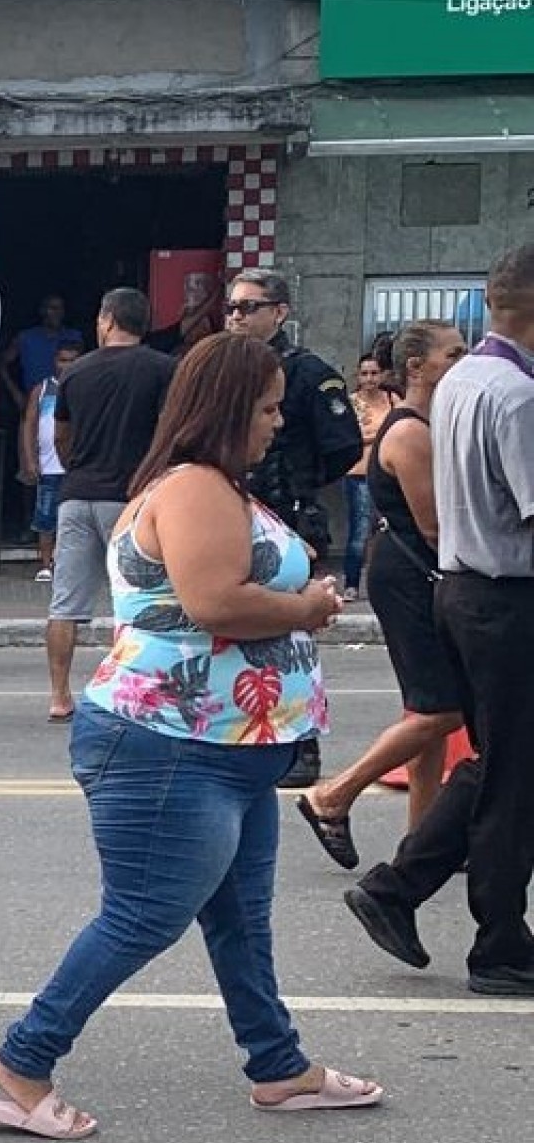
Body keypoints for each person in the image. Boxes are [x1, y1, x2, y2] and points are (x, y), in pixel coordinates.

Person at [0, 332, 378, 1141]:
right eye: (264, 409)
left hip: (224, 749)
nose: (275, 423)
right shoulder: (194, 488)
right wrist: (310, 608)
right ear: (227, 411)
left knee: (240, 918)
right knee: (144, 915)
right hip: (166, 746)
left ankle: (279, 1066)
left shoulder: (217, 485)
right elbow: (215, 602)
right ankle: (24, 1062)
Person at [345, 244, 534, 996]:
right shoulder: (514, 394)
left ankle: (397, 887)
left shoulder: (466, 381)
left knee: (500, 762)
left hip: (469, 590)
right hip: (504, 597)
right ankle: (499, 942)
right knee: (512, 777)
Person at [295, 322, 466, 871]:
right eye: (453, 353)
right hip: (412, 573)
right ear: (416, 367)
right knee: (440, 709)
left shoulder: (430, 423)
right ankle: (333, 795)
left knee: (429, 707)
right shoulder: (411, 432)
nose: (463, 360)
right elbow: (436, 527)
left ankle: (421, 843)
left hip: (414, 571)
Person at [224, 267, 362, 790]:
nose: (237, 316)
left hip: (288, 514)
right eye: (232, 307)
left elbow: (342, 445)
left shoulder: (306, 372)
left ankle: (301, 746)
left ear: (279, 312)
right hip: (231, 510)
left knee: (291, 634)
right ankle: (246, 733)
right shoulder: (225, 366)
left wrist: (299, 484)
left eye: (249, 307)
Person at [43, 288, 175, 723]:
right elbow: (169, 433)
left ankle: (60, 695)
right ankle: (131, 690)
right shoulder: (162, 369)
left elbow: (60, 434)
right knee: (137, 598)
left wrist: (75, 466)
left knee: (65, 604)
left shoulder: (75, 373)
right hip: (131, 498)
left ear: (108, 318)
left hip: (77, 495)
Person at [19, 341, 82, 583]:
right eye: (63, 360)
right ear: (54, 361)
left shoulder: (84, 387)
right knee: (45, 518)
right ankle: (46, 564)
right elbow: (29, 424)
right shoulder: (42, 389)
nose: (67, 365)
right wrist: (29, 459)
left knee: (73, 521)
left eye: (72, 360)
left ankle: (68, 565)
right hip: (48, 467)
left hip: (76, 467)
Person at [343, 349, 397, 602]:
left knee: (390, 530)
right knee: (360, 531)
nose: (369, 379)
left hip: (390, 472)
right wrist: (382, 435)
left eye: (374, 373)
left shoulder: (393, 399)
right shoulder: (351, 402)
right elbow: (349, 437)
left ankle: (387, 585)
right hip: (359, 473)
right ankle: (351, 583)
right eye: (364, 374)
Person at [0, 295, 84, 414]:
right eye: (52, 308)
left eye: (60, 309)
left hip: (66, 401)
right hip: (32, 401)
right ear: (42, 311)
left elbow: (84, 368)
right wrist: (16, 394)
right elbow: (2, 364)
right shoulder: (26, 337)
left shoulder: (74, 337)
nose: (57, 313)